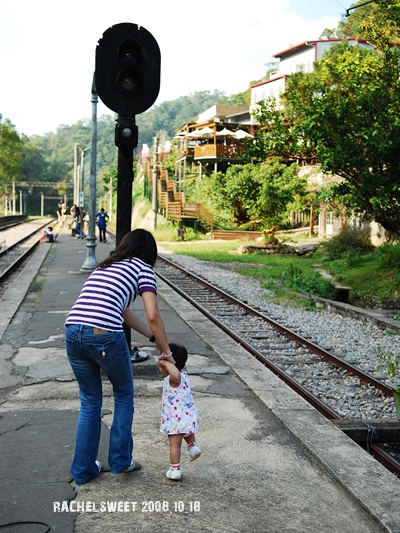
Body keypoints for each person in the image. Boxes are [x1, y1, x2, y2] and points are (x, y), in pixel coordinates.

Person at [65, 229, 174, 484]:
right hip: (104, 335)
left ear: (125, 245)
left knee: (90, 401)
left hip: (72, 332)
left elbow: (124, 313)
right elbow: (153, 315)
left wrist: (153, 339)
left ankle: (83, 471)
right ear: (150, 252)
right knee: (123, 394)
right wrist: (166, 351)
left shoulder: (105, 266)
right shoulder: (144, 268)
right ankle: (121, 461)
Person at [159, 343, 201, 481]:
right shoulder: (184, 374)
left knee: (175, 445)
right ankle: (193, 447)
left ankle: (175, 469)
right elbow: (176, 371)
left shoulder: (174, 379)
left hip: (174, 421)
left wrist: (166, 361)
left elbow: (174, 374)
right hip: (187, 417)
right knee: (187, 433)